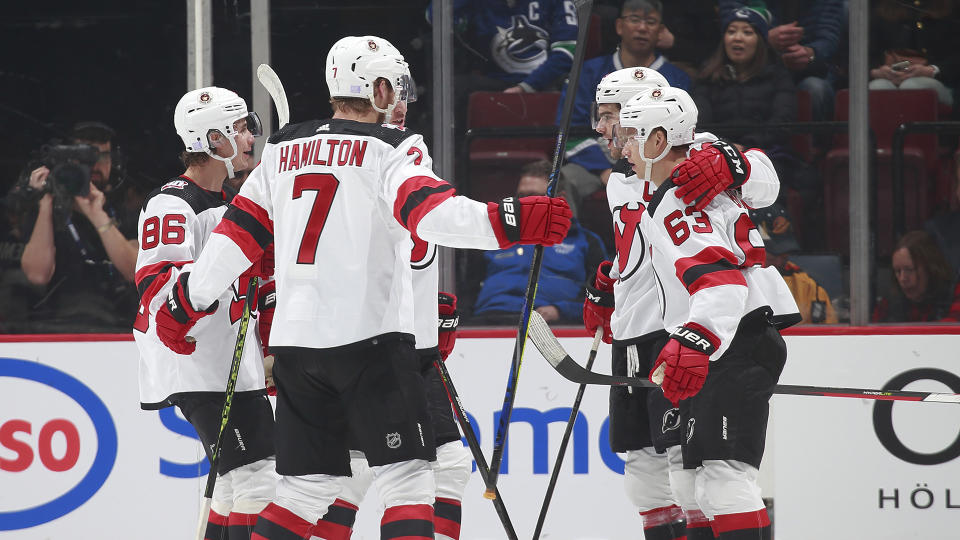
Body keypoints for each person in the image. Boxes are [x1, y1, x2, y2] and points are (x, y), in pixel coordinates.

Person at [153, 35, 571, 539]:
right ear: (375, 89)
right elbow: (431, 214)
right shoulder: (392, 148)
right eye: (395, 87)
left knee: (303, 491)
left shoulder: (283, 148)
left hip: (297, 351)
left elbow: (236, 237)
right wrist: (509, 220)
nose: (401, 100)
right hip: (369, 344)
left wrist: (187, 300)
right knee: (410, 481)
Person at [582, 69, 781, 540]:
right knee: (656, 480)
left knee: (702, 476)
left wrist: (732, 163)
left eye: (613, 118)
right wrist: (607, 286)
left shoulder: (691, 155)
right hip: (651, 331)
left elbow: (764, 184)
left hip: (698, 329)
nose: (601, 129)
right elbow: (647, 255)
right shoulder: (621, 180)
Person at [133, 86, 277, 540]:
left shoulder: (229, 203)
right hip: (197, 366)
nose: (251, 136)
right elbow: (159, 291)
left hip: (228, 362)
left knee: (235, 486)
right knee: (258, 479)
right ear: (212, 139)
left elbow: (253, 283)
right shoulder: (171, 203)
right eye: (239, 128)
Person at [559, 0, 692, 213]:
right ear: (620, 26)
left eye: (650, 22)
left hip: (655, 162)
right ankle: (573, 246)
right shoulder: (589, 72)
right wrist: (603, 169)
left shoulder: (677, 79)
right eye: (635, 19)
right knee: (565, 180)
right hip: (598, 163)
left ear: (660, 31)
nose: (641, 27)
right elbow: (571, 131)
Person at [14, 121, 140, 332]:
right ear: (67, 162)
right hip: (55, 329)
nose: (94, 165)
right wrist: (46, 202)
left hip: (121, 330)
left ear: (112, 163)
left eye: (102, 156)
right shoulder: (46, 210)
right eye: (83, 158)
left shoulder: (123, 209)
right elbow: (37, 274)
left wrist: (96, 214)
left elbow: (135, 271)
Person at [462, 159, 608, 325]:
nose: (525, 203)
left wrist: (562, 310)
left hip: (557, 326)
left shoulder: (586, 241)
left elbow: (601, 296)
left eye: (534, 197)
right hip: (487, 323)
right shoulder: (492, 235)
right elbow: (467, 292)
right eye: (521, 196)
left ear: (560, 198)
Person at [721, 0, 845, 121]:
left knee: (816, 88)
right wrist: (763, 39)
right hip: (755, 68)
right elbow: (729, 25)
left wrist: (811, 53)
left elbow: (828, 34)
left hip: (810, 70)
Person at [427, 0, 578, 93]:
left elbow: (566, 50)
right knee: (450, 88)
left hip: (546, 83)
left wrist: (528, 86)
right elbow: (435, 17)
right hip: (493, 82)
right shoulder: (479, 3)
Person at [750, 203, 838, 325]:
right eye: (770, 257)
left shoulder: (809, 287)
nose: (779, 262)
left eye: (784, 256)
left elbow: (828, 335)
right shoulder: (731, 286)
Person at [868, 0, 957, 108]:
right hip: (888, 76)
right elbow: (858, 55)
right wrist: (876, 71)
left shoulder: (953, 7)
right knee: (878, 88)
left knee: (912, 87)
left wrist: (932, 70)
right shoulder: (877, 7)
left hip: (940, 80)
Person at [873, 230, 960, 323]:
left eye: (909, 269)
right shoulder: (889, 303)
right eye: (898, 271)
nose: (902, 278)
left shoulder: (953, 292)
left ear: (930, 268)